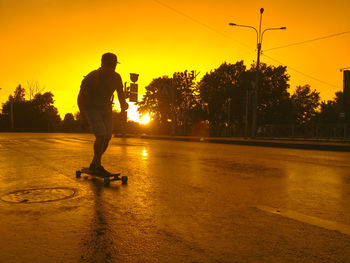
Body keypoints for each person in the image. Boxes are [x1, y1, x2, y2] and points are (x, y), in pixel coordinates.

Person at [78, 52, 128, 174]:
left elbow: (120, 94)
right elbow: (81, 98)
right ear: (102, 64)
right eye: (110, 64)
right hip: (91, 108)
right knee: (101, 135)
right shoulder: (92, 77)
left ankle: (94, 164)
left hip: (106, 109)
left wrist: (123, 107)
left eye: (114, 65)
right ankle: (98, 165)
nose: (112, 67)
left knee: (107, 137)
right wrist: (83, 116)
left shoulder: (116, 77)